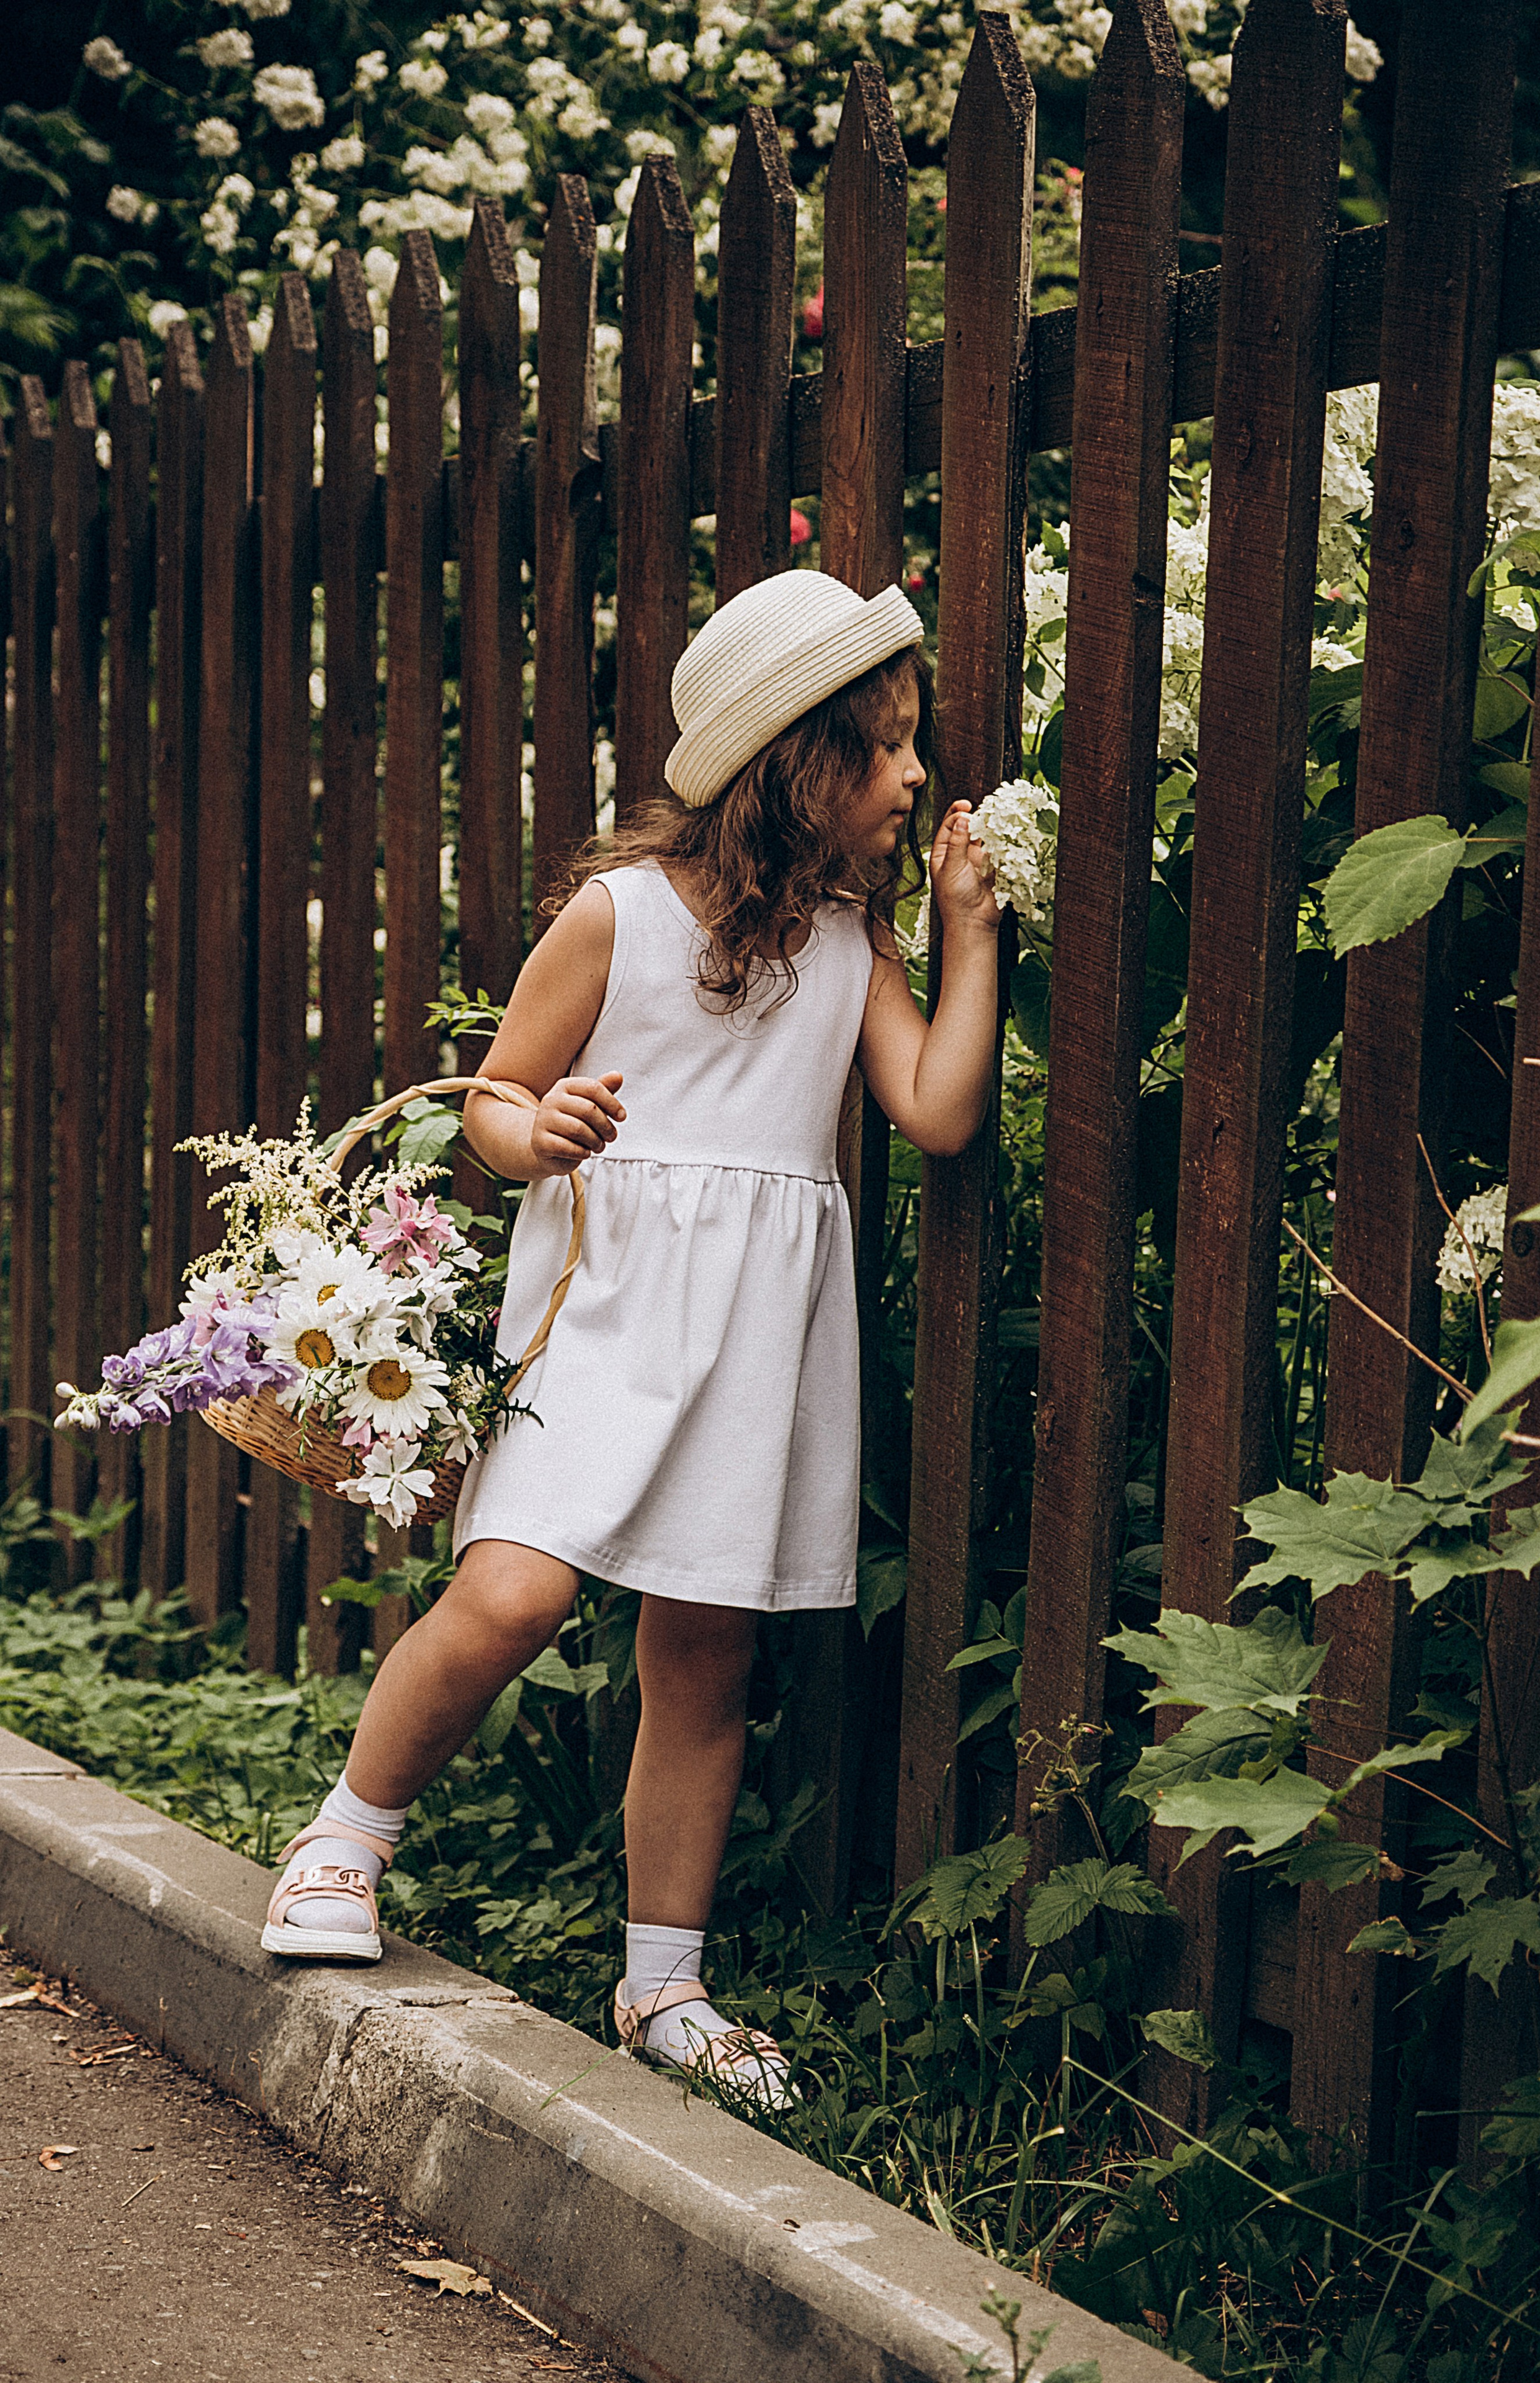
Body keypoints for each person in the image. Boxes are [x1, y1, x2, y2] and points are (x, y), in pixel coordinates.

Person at [261, 569, 1003, 2105]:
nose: (914, 775)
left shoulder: (854, 942)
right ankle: (345, 1840)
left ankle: (663, 1984)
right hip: (604, 1307)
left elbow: (934, 1112)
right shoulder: (618, 915)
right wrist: (539, 1131)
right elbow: (492, 1097)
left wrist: (966, 933)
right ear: (796, 765)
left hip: (753, 1338)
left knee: (706, 1653)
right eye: (885, 747)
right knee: (512, 1593)